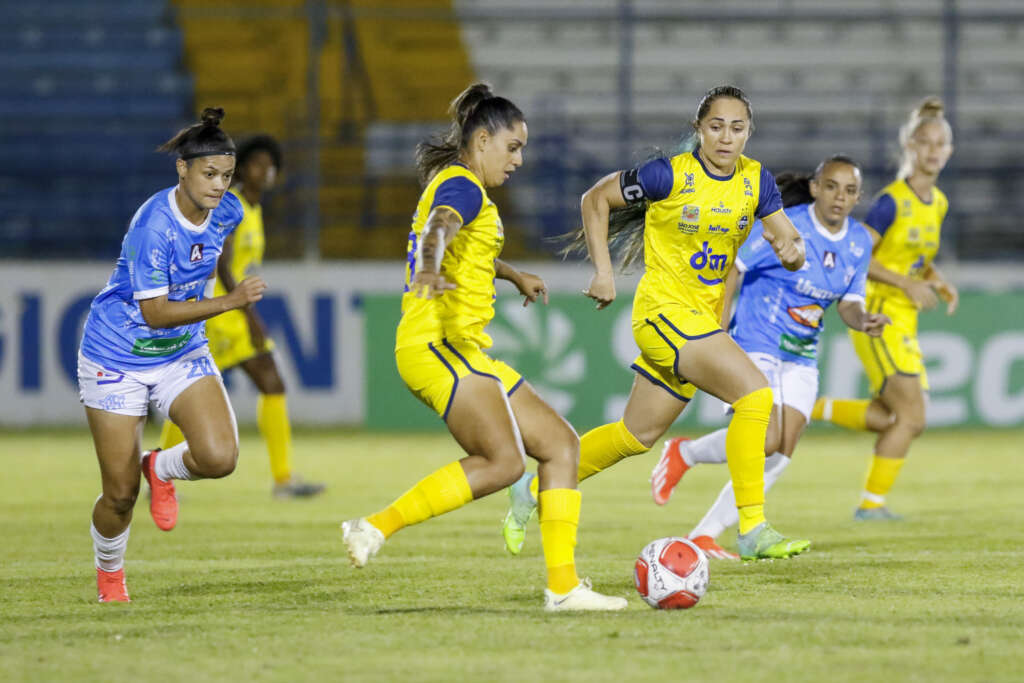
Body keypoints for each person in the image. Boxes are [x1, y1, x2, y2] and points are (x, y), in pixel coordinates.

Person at [340, 83, 627, 611]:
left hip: (464, 348)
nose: (519, 159)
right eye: (513, 147)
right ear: (483, 138)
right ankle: (374, 526)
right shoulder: (464, 187)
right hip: (437, 342)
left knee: (562, 446)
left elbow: (462, 244)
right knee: (502, 463)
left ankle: (563, 588)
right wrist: (428, 266)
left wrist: (512, 273)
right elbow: (439, 229)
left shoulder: (464, 187)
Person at [503, 85, 811, 562]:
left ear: (749, 132)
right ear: (699, 130)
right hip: (662, 313)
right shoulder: (668, 176)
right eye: (716, 126)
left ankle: (530, 486)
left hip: (699, 322)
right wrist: (604, 272)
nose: (726, 138)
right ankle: (751, 527)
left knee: (636, 436)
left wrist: (792, 254)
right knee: (756, 395)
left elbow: (791, 244)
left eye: (737, 128)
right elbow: (594, 199)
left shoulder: (757, 182)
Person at [648, 157, 890, 559]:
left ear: (858, 197)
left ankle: (703, 531)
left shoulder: (859, 243)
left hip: (802, 355)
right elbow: (733, 266)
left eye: (849, 191)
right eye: (831, 186)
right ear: (815, 187)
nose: (839, 198)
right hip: (756, 341)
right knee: (768, 438)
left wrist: (864, 320)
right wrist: (717, 326)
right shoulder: (785, 225)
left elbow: (849, 303)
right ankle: (689, 461)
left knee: (779, 452)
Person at [78, 108, 265, 602]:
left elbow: (214, 248)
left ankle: (158, 467)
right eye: (209, 174)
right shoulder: (152, 227)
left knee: (220, 457)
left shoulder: (229, 209)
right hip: (117, 354)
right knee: (119, 496)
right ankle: (110, 573)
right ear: (182, 169)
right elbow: (157, 313)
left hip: (181, 351)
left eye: (227, 175)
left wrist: (219, 283)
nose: (220, 185)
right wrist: (231, 301)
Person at [151, 135, 325, 500]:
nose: (266, 170)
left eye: (271, 165)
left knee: (196, 392)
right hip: (222, 312)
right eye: (257, 163)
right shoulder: (234, 206)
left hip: (222, 312)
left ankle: (157, 470)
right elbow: (220, 262)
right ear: (242, 169)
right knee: (270, 381)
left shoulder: (253, 208)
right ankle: (282, 480)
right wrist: (249, 316)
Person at [811, 97, 957, 520]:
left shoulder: (939, 203)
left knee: (888, 415)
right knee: (912, 416)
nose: (932, 150)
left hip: (903, 317)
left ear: (949, 152)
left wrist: (934, 279)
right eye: (924, 142)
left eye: (940, 144)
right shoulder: (891, 201)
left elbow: (914, 256)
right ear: (909, 147)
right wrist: (905, 283)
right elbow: (858, 254)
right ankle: (871, 505)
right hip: (877, 313)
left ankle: (807, 407)